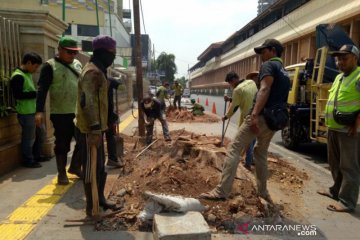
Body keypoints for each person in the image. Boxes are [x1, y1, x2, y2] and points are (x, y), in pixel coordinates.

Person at [200, 39, 290, 202]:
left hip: (260, 117)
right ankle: (263, 193)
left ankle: (222, 191)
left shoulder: (269, 66)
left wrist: (254, 115)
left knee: (234, 149)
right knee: (260, 153)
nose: (261, 55)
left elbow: (264, 89)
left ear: (273, 51)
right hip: (274, 120)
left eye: (264, 51)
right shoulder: (284, 72)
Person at [75, 35, 119, 217]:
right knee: (91, 168)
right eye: (112, 53)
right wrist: (94, 129)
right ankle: (91, 207)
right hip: (89, 130)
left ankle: (100, 199)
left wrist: (109, 118)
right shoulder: (92, 72)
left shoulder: (99, 71)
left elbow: (101, 99)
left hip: (98, 128)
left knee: (99, 167)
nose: (113, 57)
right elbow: (88, 103)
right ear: (102, 53)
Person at [317, 44, 360, 213]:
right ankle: (335, 191)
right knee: (335, 164)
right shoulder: (339, 77)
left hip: (349, 130)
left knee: (349, 167)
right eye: (338, 58)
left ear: (355, 58)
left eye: (345, 58)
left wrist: (357, 121)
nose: (340, 61)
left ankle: (347, 201)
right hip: (334, 127)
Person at [35, 36, 83, 184]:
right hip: (61, 113)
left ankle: (75, 166)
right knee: (63, 144)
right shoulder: (49, 66)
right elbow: (42, 90)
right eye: (69, 52)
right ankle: (62, 172)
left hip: (79, 112)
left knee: (83, 141)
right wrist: (39, 111)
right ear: (60, 50)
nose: (72, 55)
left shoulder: (78, 64)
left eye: (75, 52)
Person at [10, 52, 44, 168]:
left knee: (40, 135)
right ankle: (28, 160)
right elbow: (18, 95)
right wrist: (35, 93)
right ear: (28, 63)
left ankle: (37, 156)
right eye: (35, 66)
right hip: (26, 113)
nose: (36, 69)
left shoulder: (27, 74)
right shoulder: (18, 76)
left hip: (33, 112)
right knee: (29, 139)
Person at [222, 71, 258, 170]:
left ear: (233, 80)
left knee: (247, 141)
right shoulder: (251, 82)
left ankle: (248, 164)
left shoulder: (237, 90)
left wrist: (226, 117)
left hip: (248, 117)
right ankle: (252, 159)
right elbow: (243, 98)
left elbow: (234, 107)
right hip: (258, 115)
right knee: (253, 138)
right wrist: (230, 99)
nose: (230, 85)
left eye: (230, 83)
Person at [105, 77, 125, 168]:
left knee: (99, 138)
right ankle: (112, 158)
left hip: (96, 115)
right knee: (110, 137)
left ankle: (99, 161)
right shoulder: (110, 80)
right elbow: (122, 88)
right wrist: (118, 80)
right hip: (107, 115)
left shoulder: (92, 78)